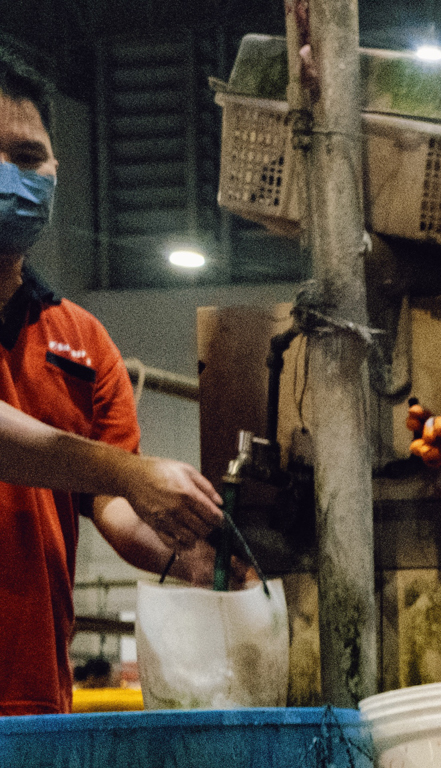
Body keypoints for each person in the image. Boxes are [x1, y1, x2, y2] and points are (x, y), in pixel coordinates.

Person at [0, 47, 226, 717]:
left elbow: (116, 508)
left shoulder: (83, 342)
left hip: (33, 699)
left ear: (55, 172)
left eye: (28, 157)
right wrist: (128, 475)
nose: (12, 176)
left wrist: (191, 552)